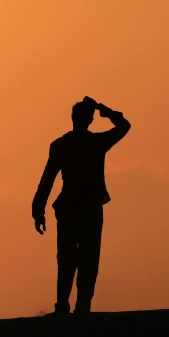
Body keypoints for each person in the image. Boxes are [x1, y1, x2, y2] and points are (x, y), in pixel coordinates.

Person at [32, 97, 131, 316]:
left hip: (74, 208)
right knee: (85, 258)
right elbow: (124, 126)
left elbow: (47, 180)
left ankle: (67, 306)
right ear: (88, 120)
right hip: (86, 208)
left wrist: (38, 209)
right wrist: (104, 109)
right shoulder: (95, 143)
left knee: (69, 258)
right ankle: (78, 306)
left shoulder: (62, 145)